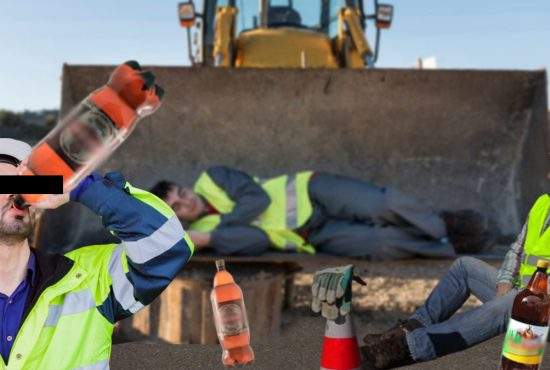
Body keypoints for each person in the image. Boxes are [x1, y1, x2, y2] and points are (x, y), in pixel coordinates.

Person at [0, 138, 193, 369]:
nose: (16, 194)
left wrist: (78, 186)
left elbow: (167, 245)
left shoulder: (89, 277)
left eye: (24, 184)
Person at [357, 193, 550, 368]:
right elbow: (517, 249)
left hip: (543, 309)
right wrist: (506, 279)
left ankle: (405, 348)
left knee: (511, 303)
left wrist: (528, 296)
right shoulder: (543, 202)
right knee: (465, 267)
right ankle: (407, 330)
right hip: (523, 295)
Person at [151, 166, 490, 259]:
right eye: (178, 207)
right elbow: (255, 241)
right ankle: (448, 246)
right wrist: (208, 239)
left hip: (312, 191)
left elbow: (256, 199)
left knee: (379, 205)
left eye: (182, 193)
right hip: (311, 236)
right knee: (380, 244)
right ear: (177, 218)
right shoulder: (207, 232)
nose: (187, 201)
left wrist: (221, 228)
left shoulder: (212, 178)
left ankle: (446, 223)